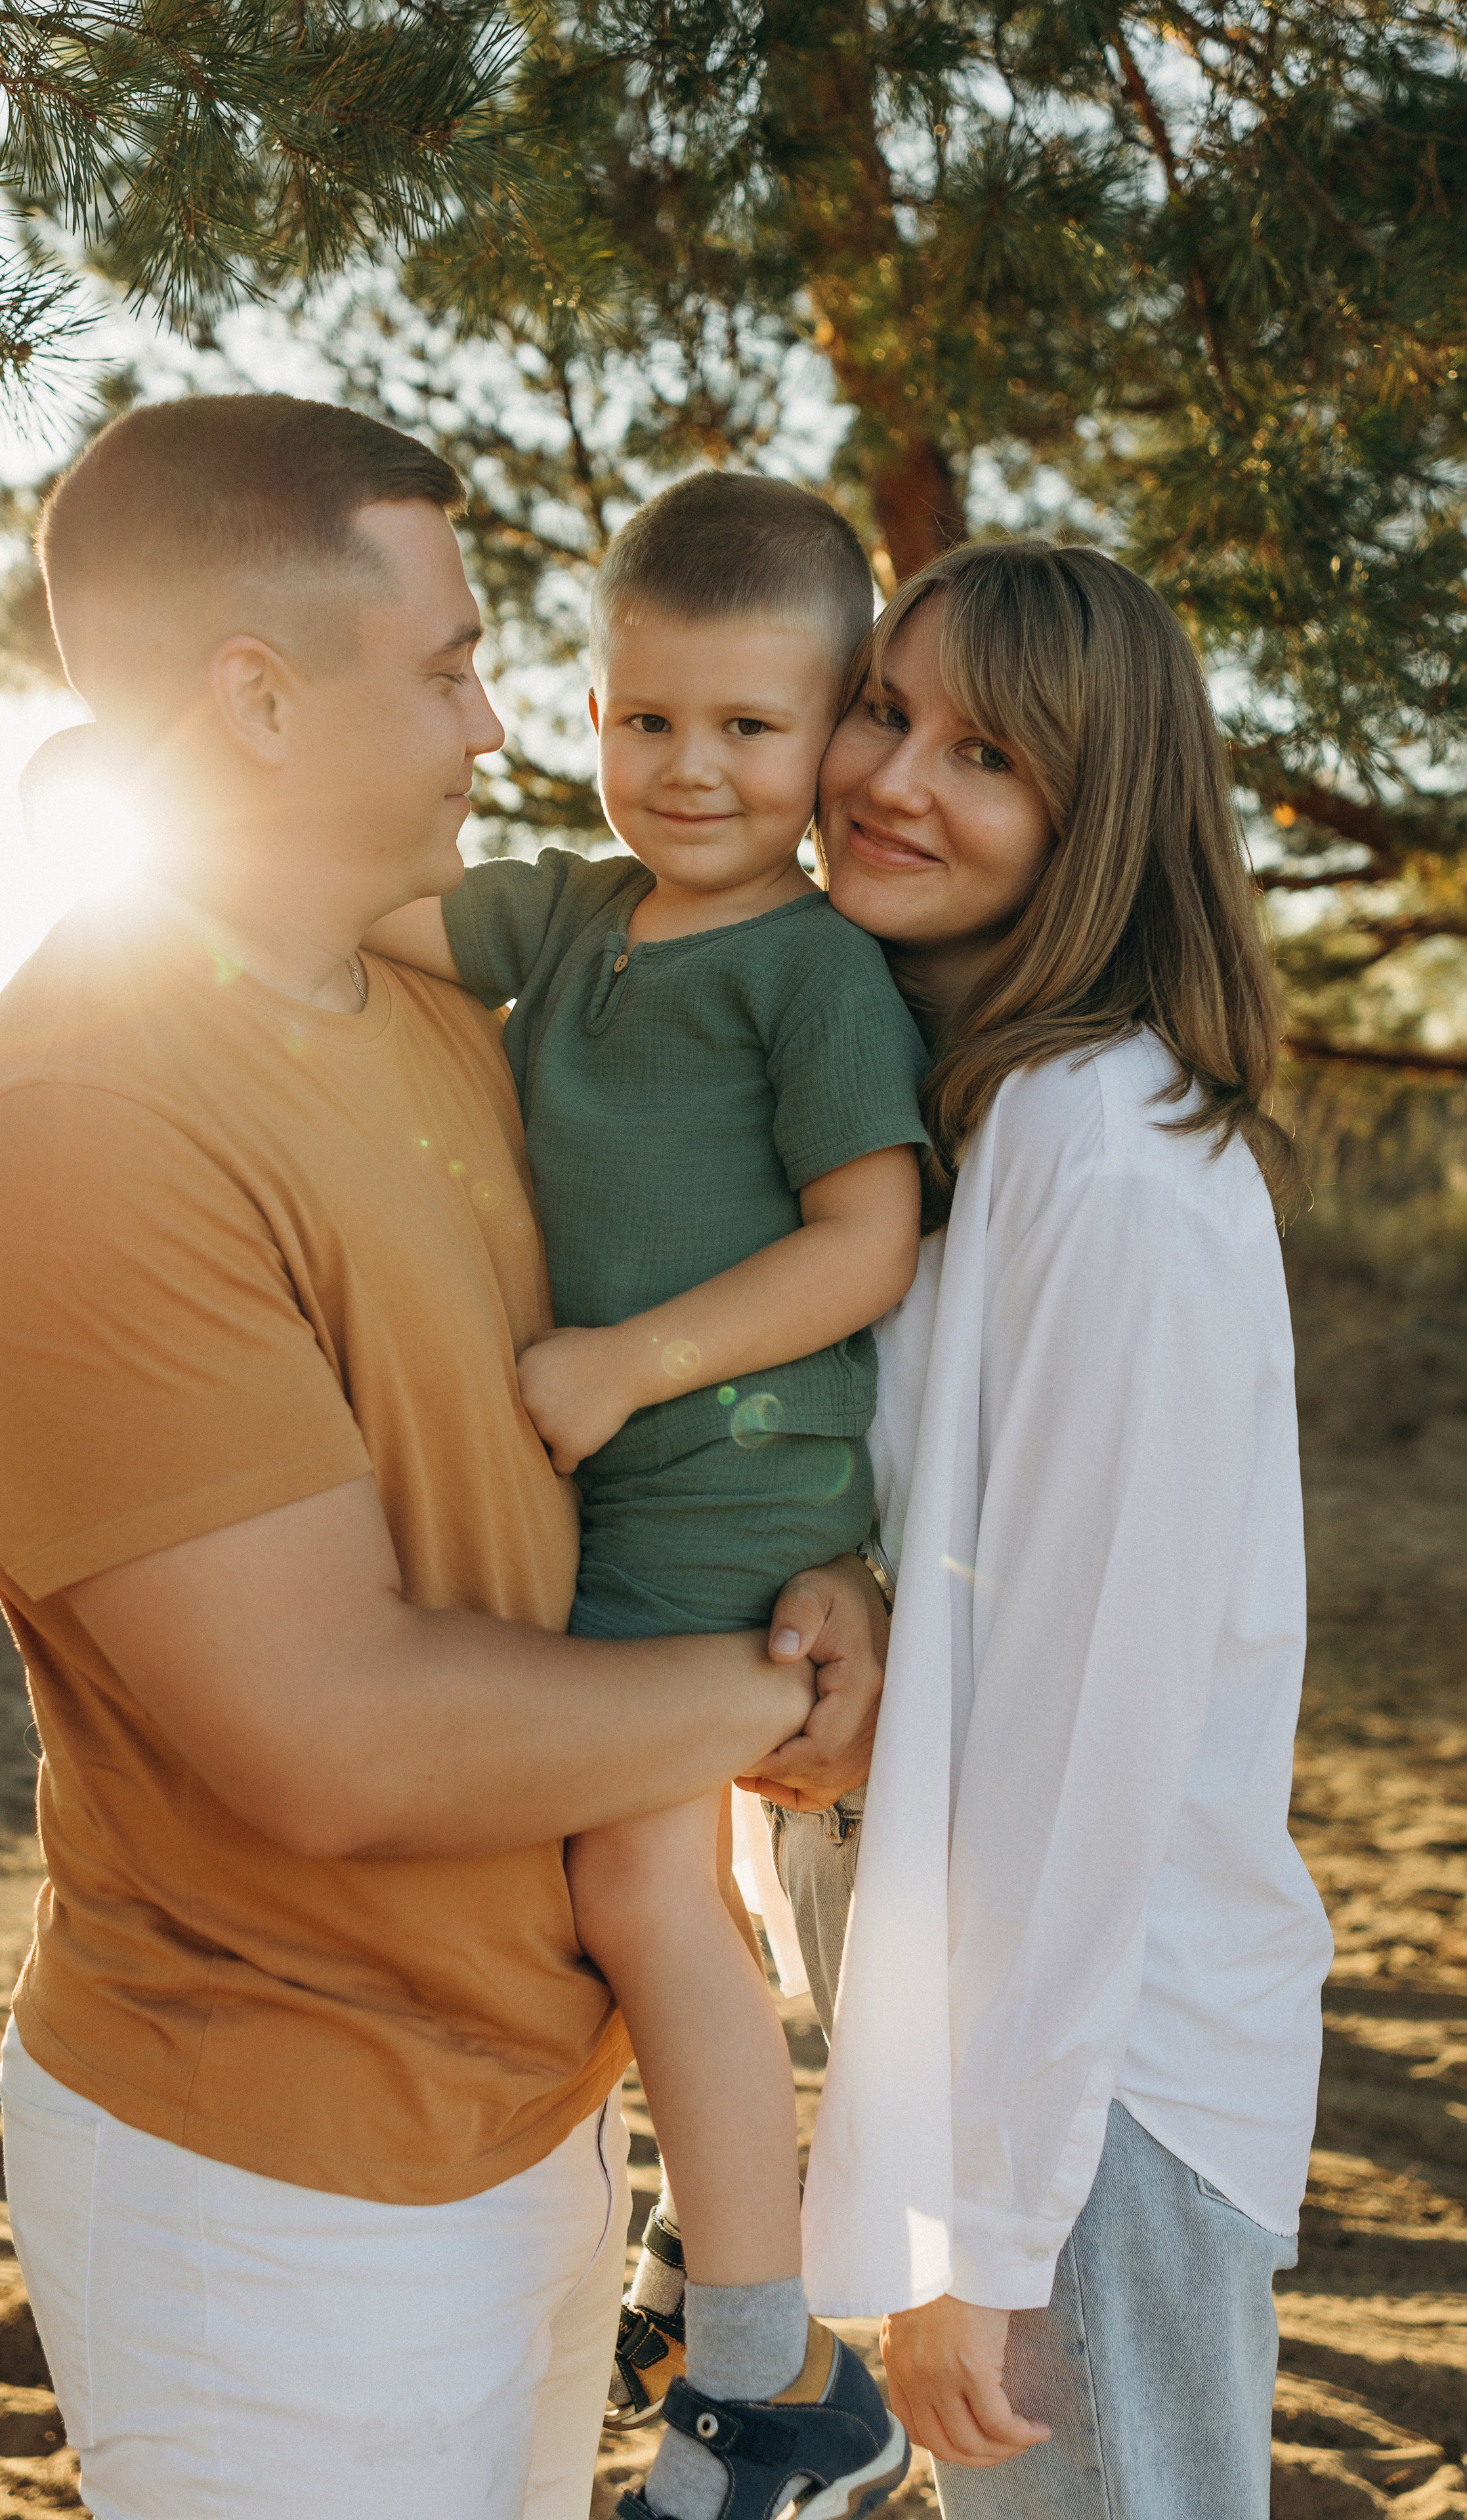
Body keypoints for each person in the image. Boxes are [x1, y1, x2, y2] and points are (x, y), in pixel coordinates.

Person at [0, 393, 889, 2520]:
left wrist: (836, 1583)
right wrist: (788, 1694)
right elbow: (335, 1735)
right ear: (258, 698)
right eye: (446, 668)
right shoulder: (82, 1127)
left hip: (542, 2102)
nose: (495, 724)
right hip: (281, 2180)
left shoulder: (446, 1012)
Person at [364, 471, 924, 2520]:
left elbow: (867, 1243)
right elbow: (356, 905)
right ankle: (711, 2235)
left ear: (832, 736)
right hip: (616, 1485)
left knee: (635, 1889)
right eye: (649, 719)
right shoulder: (576, 914)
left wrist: (627, 1362)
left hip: (728, 1469)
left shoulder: (814, 970)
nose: (692, 770)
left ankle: (774, 2378)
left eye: (751, 727)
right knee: (648, 1891)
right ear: (590, 710)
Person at [769, 537, 1334, 2519]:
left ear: (1099, 821)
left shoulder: (1112, 1154)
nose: (891, 779)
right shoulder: (960, 1115)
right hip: (980, 2029)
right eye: (885, 710)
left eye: (987, 755)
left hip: (1093, 2083)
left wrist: (987, 2229)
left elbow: (1092, 1724)